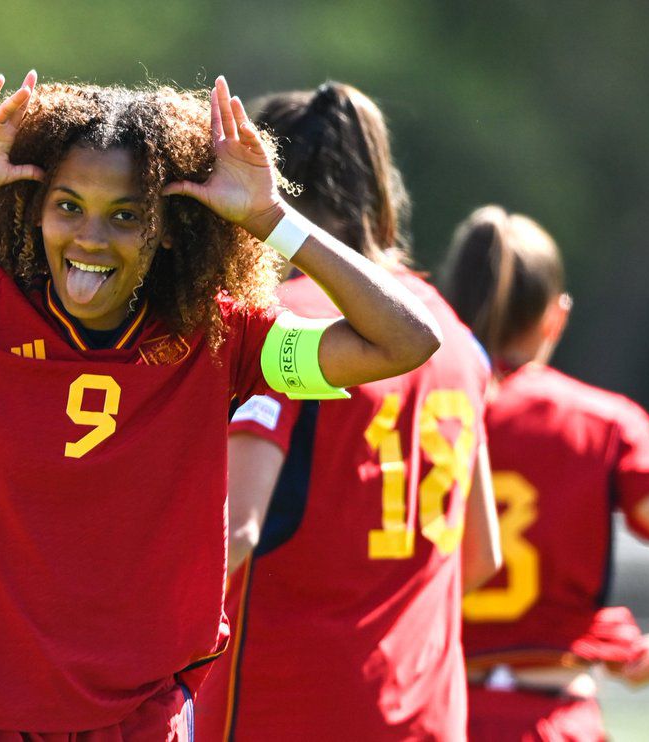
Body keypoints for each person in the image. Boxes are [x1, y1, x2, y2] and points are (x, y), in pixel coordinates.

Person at [0, 70, 443, 740]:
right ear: (34, 211)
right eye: (69, 207)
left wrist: (269, 215)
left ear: (165, 227)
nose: (91, 237)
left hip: (136, 716)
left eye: (125, 215)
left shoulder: (220, 339)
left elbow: (402, 341)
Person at [193, 82, 502, 741]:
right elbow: (481, 556)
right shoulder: (452, 337)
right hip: (427, 715)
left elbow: (235, 534)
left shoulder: (287, 329)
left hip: (288, 707)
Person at [440, 206, 649, 741]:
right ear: (556, 316)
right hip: (549, 717)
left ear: (447, 305)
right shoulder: (603, 421)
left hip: (434, 708)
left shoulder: (414, 406)